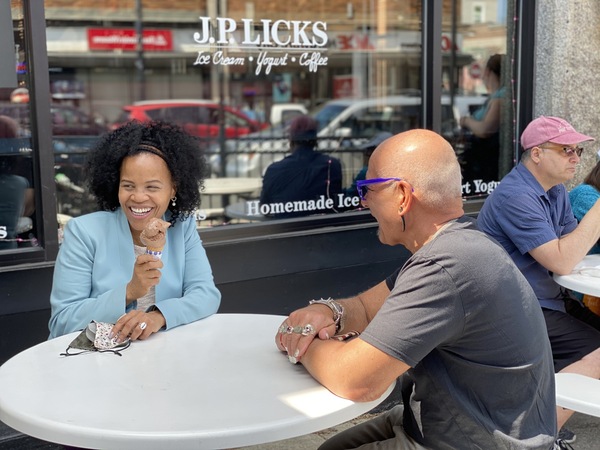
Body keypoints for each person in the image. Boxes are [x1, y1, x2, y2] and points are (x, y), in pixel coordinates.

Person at [275, 129, 556, 449]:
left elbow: (356, 381)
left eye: (367, 188)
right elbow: (366, 309)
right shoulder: (459, 243)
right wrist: (327, 311)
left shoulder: (448, 265)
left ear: (401, 195)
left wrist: (298, 338)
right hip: (438, 420)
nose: (363, 201)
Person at [477, 115, 600, 444]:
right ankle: (535, 435)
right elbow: (561, 258)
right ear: (536, 153)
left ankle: (540, 424)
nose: (575, 158)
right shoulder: (515, 196)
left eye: (578, 151)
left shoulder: (556, 191)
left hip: (549, 300)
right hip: (514, 308)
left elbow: (574, 252)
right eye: (566, 150)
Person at [49, 121, 221, 340]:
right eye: (128, 185)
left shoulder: (182, 227)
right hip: (98, 363)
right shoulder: (83, 232)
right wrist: (130, 291)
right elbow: (62, 321)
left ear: (173, 189)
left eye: (152, 187)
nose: (138, 197)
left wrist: (158, 317)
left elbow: (206, 295)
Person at [260, 115, 342, 218]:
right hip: (324, 230)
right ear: (315, 139)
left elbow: (265, 208)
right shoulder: (332, 166)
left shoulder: (274, 170)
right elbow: (336, 205)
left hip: (286, 231)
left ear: (291, 139)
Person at [459, 54, 506, 182]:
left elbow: (486, 129)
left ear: (488, 72)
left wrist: (465, 121)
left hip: (485, 160)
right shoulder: (496, 95)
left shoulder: (500, 97)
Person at [343, 131, 392, 197]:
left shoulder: (367, 172)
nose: (366, 154)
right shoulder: (399, 170)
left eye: (369, 150)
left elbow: (350, 195)